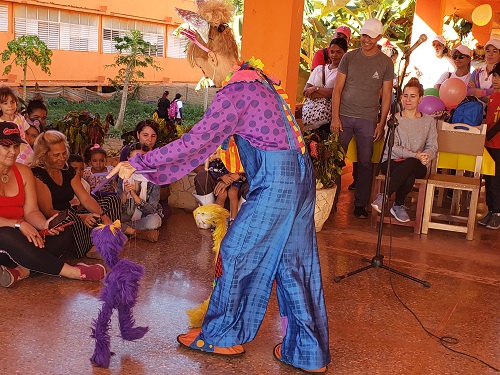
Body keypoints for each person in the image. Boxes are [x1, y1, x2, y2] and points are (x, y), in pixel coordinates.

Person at [107, 1, 330, 372]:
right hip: (301, 177)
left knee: (236, 251)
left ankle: (223, 336)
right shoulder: (259, 80)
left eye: (200, 67)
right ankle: (307, 351)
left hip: (277, 182)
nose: (205, 77)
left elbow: (195, 143)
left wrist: (140, 163)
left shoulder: (235, 93)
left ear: (211, 58)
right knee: (295, 264)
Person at [0, 122, 105, 287]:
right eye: (6, 147)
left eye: (15, 146)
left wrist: (46, 225)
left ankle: (21, 270)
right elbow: (18, 224)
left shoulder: (23, 172)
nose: (12, 152)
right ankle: (71, 272)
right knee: (5, 233)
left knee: (63, 233)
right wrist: (18, 224)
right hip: (6, 238)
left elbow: (31, 211)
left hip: (22, 239)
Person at [331, 18, 395, 219]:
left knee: (366, 163)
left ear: (379, 38)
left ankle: (360, 205)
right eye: (364, 35)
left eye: (370, 36)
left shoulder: (385, 62)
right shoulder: (349, 57)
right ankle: (330, 202)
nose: (365, 39)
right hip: (344, 117)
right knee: (335, 160)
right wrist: (335, 117)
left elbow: (386, 96)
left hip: (367, 119)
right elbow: (337, 89)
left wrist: (381, 122)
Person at [31, 130, 121, 258]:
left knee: (112, 200)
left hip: (73, 214)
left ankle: (104, 241)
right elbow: (47, 210)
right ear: (44, 155)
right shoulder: (37, 174)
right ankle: (89, 248)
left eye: (64, 153)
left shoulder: (67, 169)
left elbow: (85, 197)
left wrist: (103, 216)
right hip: (57, 221)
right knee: (72, 218)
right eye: (56, 155)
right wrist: (81, 217)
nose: (62, 158)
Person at [371, 78, 437, 222]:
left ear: (420, 99)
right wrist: (416, 155)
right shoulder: (394, 119)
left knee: (412, 163)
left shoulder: (429, 121)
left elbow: (433, 145)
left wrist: (425, 156)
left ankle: (384, 196)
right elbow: (392, 147)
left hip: (418, 163)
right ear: (401, 97)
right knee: (409, 174)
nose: (408, 100)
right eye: (405, 96)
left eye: (412, 96)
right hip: (392, 161)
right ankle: (398, 205)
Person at [303, 37, 348, 137]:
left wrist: (315, 89)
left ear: (345, 53)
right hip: (310, 121)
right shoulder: (319, 69)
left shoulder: (344, 73)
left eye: (338, 52)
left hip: (328, 122)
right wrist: (328, 93)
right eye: (332, 52)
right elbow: (306, 92)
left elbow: (337, 92)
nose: (334, 55)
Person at [118, 142, 163, 242]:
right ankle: (138, 233)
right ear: (128, 160)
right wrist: (125, 193)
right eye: (134, 160)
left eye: (141, 159)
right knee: (110, 218)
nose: (137, 164)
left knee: (154, 222)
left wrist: (134, 195)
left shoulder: (154, 178)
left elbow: (151, 209)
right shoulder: (123, 175)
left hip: (145, 216)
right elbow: (118, 207)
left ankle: (126, 230)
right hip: (127, 215)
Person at [477, 63, 500, 230]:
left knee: (497, 181)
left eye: (499, 76)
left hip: (498, 145)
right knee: (489, 179)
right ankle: (491, 210)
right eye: (495, 76)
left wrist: (488, 134)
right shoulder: (493, 97)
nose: (496, 79)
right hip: (489, 145)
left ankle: (498, 214)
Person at [206, 148, 246, 222]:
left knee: (233, 193)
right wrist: (222, 176)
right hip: (221, 180)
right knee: (221, 194)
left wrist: (236, 176)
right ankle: (217, 220)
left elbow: (243, 168)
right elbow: (211, 169)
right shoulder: (217, 160)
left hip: (235, 180)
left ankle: (233, 220)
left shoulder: (236, 156)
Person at [0, 86, 33, 165]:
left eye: (12, 102)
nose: (10, 106)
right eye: (5, 103)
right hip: (8, 150)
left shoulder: (20, 118)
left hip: (23, 147)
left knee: (30, 165)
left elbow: (25, 134)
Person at [468, 37, 500, 105]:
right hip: (475, 112)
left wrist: (476, 91)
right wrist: (487, 93)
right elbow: (468, 91)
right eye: (488, 51)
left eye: (494, 51)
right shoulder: (476, 72)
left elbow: (495, 96)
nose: (490, 54)